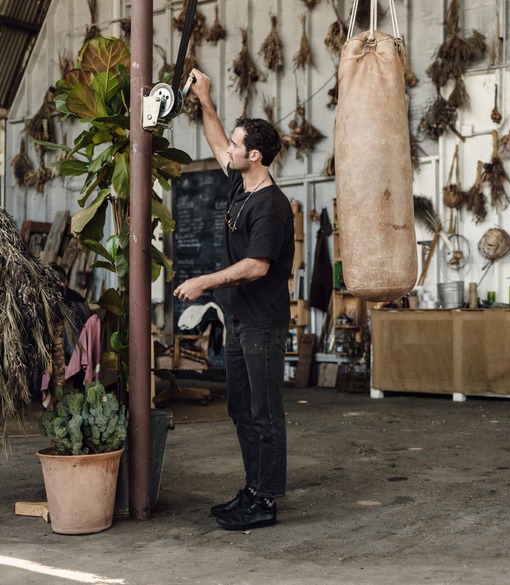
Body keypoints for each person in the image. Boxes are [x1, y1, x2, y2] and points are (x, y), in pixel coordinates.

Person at [173, 68, 294, 531]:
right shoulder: (241, 184)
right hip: (241, 321)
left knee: (264, 412)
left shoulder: (271, 206)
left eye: (239, 147)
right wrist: (204, 99)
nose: (230, 151)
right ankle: (252, 487)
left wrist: (205, 282)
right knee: (240, 408)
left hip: (262, 323)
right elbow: (217, 139)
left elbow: (257, 266)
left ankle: (265, 500)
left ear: (256, 156)